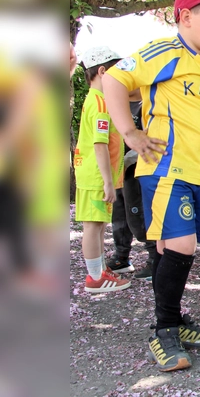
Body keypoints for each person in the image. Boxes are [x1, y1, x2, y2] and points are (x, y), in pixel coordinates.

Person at [103, 0, 200, 372]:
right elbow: (114, 80)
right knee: (182, 246)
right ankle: (165, 329)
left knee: (176, 248)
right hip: (167, 169)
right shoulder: (166, 51)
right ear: (186, 17)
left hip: (197, 174)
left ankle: (173, 320)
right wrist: (130, 133)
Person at [73, 46, 129, 293]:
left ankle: (99, 270)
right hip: (96, 177)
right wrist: (107, 181)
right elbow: (99, 144)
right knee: (94, 225)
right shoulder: (99, 104)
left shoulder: (99, 100)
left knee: (99, 224)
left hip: (97, 175)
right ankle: (95, 277)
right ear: (103, 71)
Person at [106, 89, 158, 280]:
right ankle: (121, 256)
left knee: (139, 214)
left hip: (137, 168)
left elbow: (150, 139)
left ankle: (154, 258)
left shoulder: (147, 104)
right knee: (119, 212)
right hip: (117, 169)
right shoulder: (115, 102)